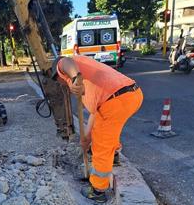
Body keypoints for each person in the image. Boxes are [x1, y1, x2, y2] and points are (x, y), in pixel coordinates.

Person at [52, 56, 143, 203]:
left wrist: (75, 78)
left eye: (59, 81)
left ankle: (98, 190)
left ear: (58, 75)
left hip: (115, 101)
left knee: (101, 144)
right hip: (131, 95)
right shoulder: (88, 72)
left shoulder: (65, 68)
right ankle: (113, 156)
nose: (61, 84)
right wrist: (86, 139)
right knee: (105, 131)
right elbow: (96, 113)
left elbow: (66, 62)